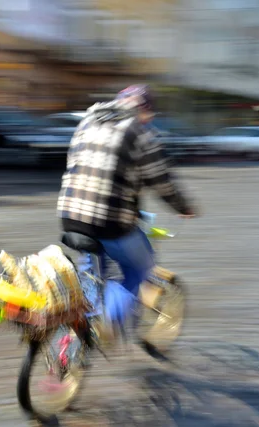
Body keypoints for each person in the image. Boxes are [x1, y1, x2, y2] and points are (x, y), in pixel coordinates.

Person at [57, 84, 196, 323]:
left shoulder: (87, 122)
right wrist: (184, 208)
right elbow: (161, 181)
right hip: (109, 221)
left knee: (91, 269)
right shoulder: (139, 131)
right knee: (141, 268)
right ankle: (111, 319)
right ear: (146, 111)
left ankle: (84, 324)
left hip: (70, 215)